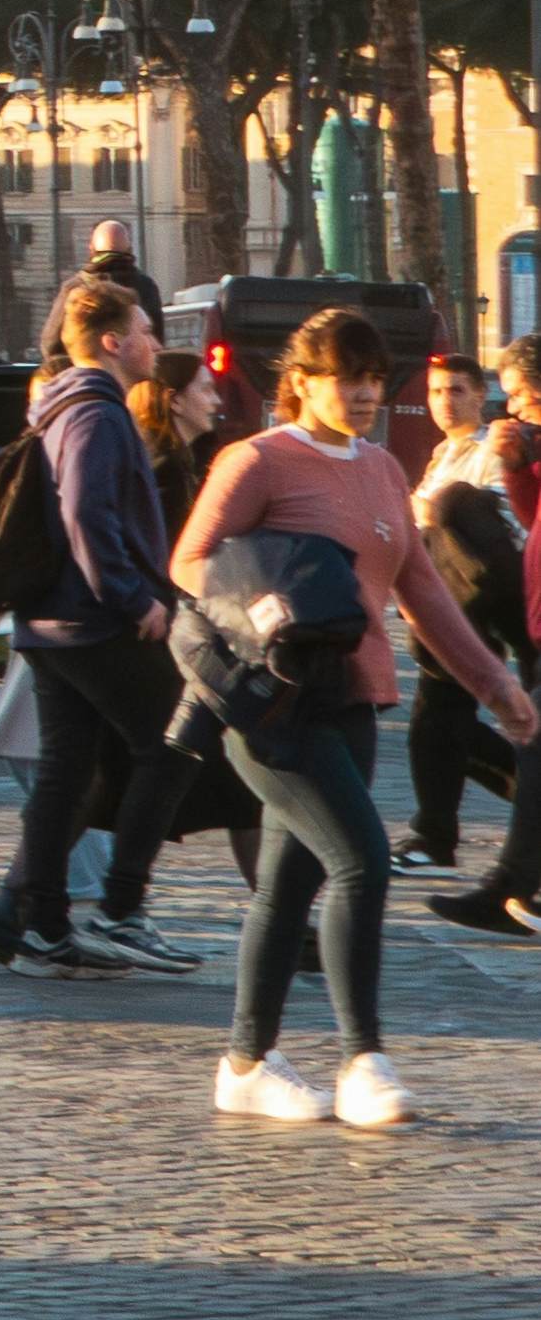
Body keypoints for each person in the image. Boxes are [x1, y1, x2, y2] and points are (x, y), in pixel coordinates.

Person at [179, 304, 538, 1128]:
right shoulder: (256, 460)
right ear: (301, 381)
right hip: (270, 704)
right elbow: (190, 559)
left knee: (288, 880)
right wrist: (271, 609)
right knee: (361, 859)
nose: (366, 391)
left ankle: (244, 1061)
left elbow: (421, 591)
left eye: (376, 377)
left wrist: (495, 686)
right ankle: (361, 1059)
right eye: (348, 376)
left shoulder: (380, 469)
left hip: (352, 700)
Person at [0, 276, 203, 977]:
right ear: (112, 341)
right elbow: (86, 515)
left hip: (52, 622)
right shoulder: (96, 413)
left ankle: (40, 926)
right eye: (143, 328)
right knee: (172, 747)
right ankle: (121, 909)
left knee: (65, 774)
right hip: (93, 619)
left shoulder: (57, 405)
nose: (154, 341)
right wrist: (134, 599)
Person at [402, 354, 529, 871]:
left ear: (480, 395)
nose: (444, 401)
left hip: (475, 605)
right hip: (445, 603)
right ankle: (435, 831)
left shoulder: (487, 451)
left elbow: (489, 523)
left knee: (439, 719)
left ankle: (435, 833)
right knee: (440, 720)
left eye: (456, 390)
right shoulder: (443, 453)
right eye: (435, 391)